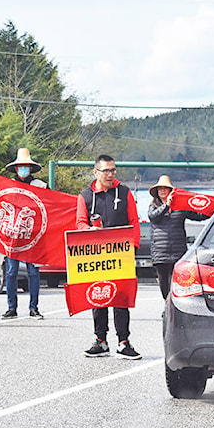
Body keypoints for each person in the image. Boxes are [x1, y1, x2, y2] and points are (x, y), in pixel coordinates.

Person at [75, 154, 141, 360]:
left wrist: (134, 246)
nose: (110, 174)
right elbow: (79, 223)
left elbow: (134, 221)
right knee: (99, 296)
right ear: (96, 172)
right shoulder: (85, 196)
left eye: (113, 170)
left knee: (121, 298)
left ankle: (124, 342)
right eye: (106, 171)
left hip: (121, 254)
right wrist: (91, 230)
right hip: (96, 256)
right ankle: (101, 341)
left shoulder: (124, 192)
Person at [148, 175, 211, 300]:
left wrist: (211, 209)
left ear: (171, 190)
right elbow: (153, 217)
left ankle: (174, 305)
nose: (162, 191)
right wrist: (167, 205)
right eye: (160, 189)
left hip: (178, 252)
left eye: (165, 188)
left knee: (177, 282)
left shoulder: (180, 206)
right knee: (163, 282)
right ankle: (167, 303)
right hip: (160, 252)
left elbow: (197, 215)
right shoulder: (153, 205)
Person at [2, 147, 45, 319]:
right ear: (16, 168)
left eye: (26, 166)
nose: (23, 169)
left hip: (33, 236)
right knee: (11, 271)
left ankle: (34, 307)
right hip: (13, 236)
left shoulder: (40, 186)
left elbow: (50, 207)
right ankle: (11, 307)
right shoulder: (7, 186)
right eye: (20, 166)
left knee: (33, 272)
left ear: (31, 168)